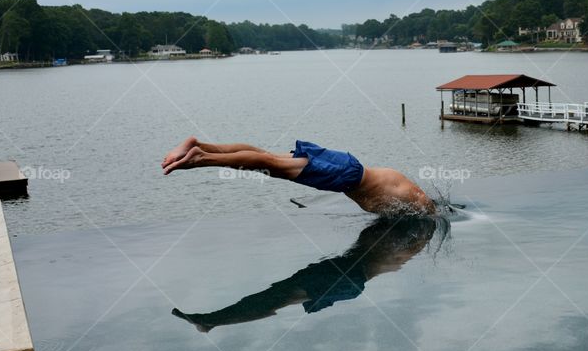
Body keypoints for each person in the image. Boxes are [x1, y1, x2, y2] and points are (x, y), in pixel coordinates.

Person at [172, 216, 443, 332]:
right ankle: (212, 321)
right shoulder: (409, 230)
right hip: (349, 276)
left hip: (350, 277)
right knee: (279, 296)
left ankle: (212, 321)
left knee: (279, 296)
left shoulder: (411, 232)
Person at [162, 136, 435, 215]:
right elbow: (424, 204)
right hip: (346, 175)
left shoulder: (405, 190)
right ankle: (201, 158)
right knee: (269, 163)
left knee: (266, 158)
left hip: (349, 168)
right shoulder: (418, 202)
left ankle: (201, 145)